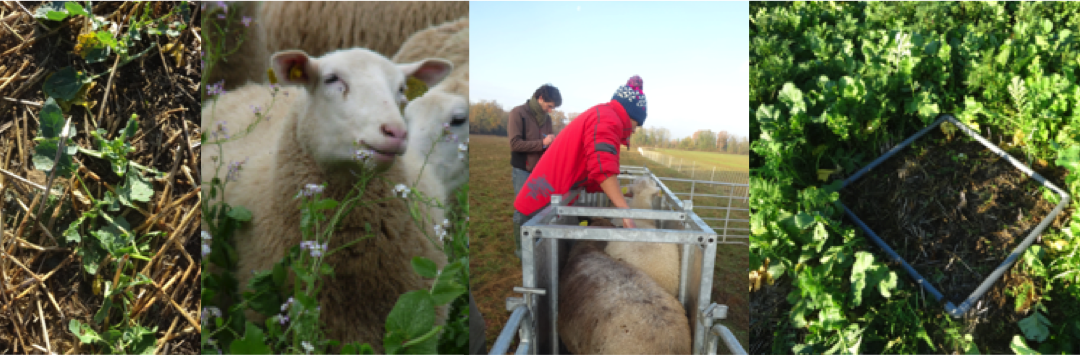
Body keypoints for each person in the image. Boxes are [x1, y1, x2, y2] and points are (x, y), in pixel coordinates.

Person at [513, 76, 648, 255]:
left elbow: (595, 172)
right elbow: (603, 167)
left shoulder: (605, 115)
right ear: (631, 114)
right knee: (538, 258)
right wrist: (624, 209)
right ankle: (523, 258)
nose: (633, 131)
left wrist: (620, 191)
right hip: (546, 197)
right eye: (636, 125)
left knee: (554, 254)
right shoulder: (607, 119)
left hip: (557, 194)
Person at [508, 84, 562, 257]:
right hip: (522, 170)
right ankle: (520, 251)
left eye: (553, 108)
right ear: (540, 98)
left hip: (540, 171)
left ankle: (537, 246)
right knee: (523, 210)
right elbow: (514, 144)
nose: (551, 110)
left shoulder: (546, 119)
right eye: (550, 106)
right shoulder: (518, 113)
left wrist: (553, 144)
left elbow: (547, 141)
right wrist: (542, 143)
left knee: (540, 208)